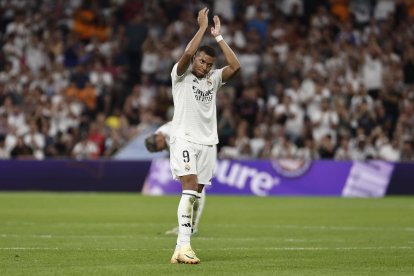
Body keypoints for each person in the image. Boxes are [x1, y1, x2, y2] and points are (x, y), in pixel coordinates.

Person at [168, 8, 240, 264]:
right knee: (188, 186)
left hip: (208, 142)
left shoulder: (214, 79)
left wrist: (219, 37)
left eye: (209, 64)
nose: (205, 67)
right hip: (184, 138)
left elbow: (235, 66)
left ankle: (180, 248)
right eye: (202, 62)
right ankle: (185, 246)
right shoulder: (180, 76)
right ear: (196, 59)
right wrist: (201, 29)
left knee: (196, 193)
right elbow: (187, 53)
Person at [145, 121, 206, 237]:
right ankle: (188, 225)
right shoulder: (161, 134)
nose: (162, 150)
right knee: (193, 193)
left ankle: (192, 227)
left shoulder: (172, 134)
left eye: (160, 148)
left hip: (199, 150)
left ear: (159, 140)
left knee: (197, 191)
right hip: (191, 154)